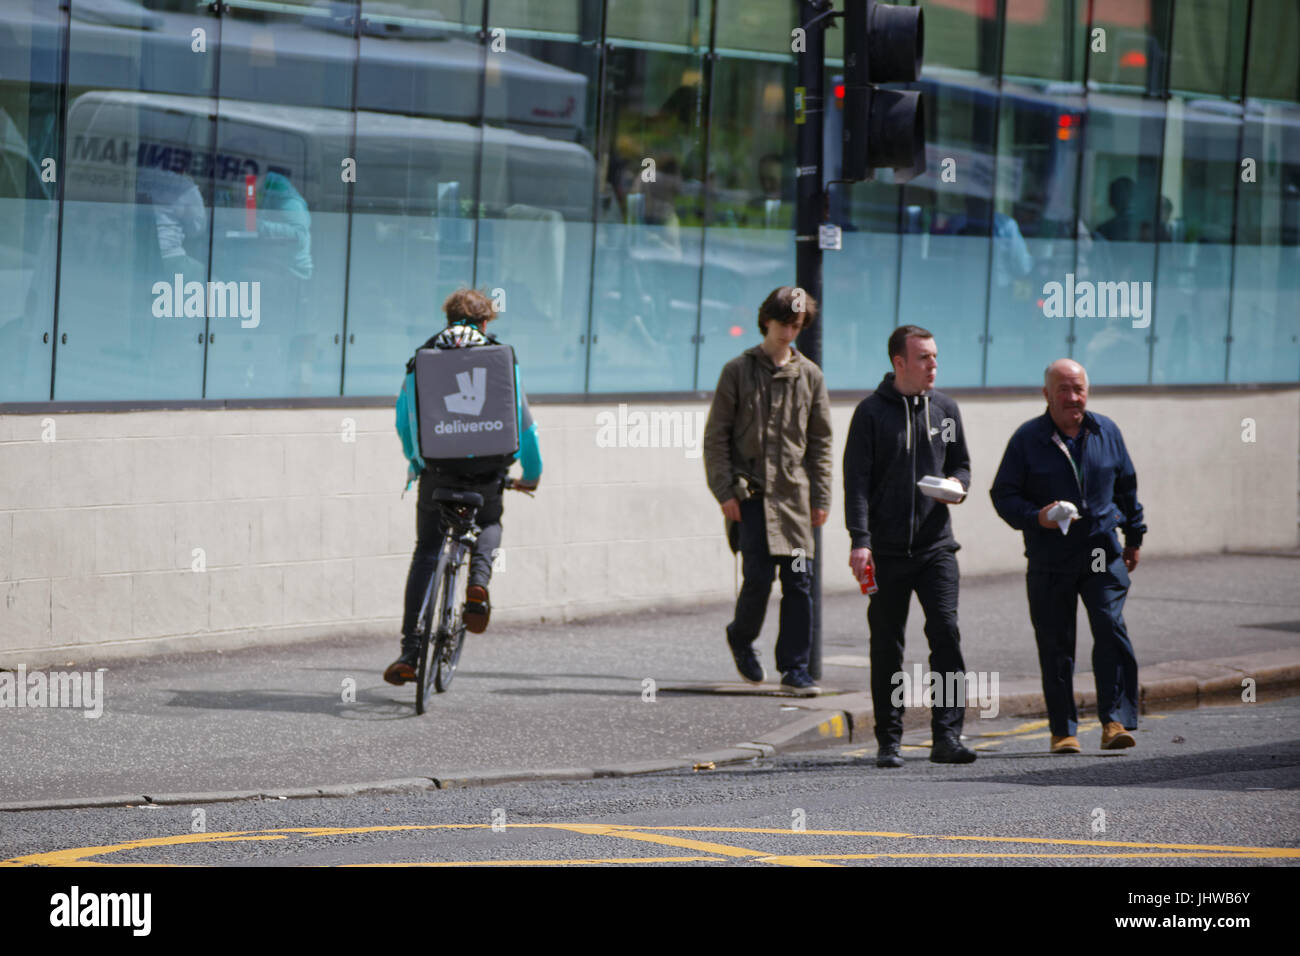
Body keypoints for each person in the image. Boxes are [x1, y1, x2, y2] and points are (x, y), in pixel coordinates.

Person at [384, 289, 543, 685]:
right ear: (485, 322)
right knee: (490, 523)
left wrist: (416, 461)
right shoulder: (500, 356)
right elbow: (524, 424)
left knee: (426, 552)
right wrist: (532, 473)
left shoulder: (421, 357)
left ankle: (411, 650)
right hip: (488, 473)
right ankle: (478, 583)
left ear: (448, 318)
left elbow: (404, 421)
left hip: (438, 472)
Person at [989, 358, 1146, 753]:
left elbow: (1127, 486)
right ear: (1046, 394)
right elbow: (1003, 494)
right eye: (1064, 389)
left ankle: (1113, 722)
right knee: (1056, 642)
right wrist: (1035, 517)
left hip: (1100, 550)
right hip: (1050, 555)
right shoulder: (1027, 439)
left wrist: (1134, 537)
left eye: (1078, 389)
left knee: (1110, 627)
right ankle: (1063, 731)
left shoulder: (1106, 431)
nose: (1073, 397)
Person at [844, 326, 976, 767]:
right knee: (886, 644)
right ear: (899, 362)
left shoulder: (946, 409)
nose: (933, 365)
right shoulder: (869, 414)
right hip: (885, 551)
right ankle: (890, 740)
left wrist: (958, 485)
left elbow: (962, 466)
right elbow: (856, 484)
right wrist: (860, 542)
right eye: (923, 358)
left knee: (946, 633)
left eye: (935, 356)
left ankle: (947, 736)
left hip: (936, 546)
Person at [703, 286, 833, 696]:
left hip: (795, 503)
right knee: (758, 579)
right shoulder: (737, 371)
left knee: (798, 582)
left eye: (796, 325)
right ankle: (741, 636)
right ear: (766, 321)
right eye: (783, 323)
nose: (789, 332)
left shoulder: (810, 376)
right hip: (752, 497)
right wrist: (725, 491)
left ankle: (794, 668)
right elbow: (716, 438)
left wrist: (822, 498)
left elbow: (821, 442)